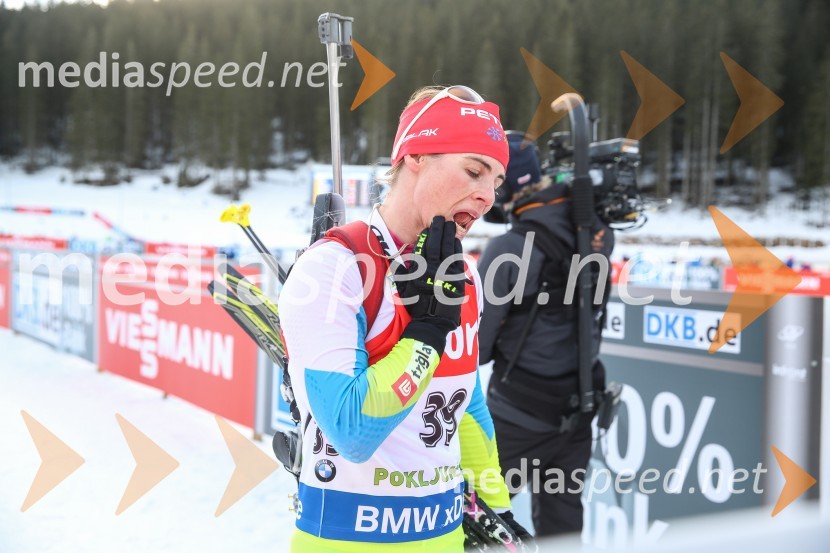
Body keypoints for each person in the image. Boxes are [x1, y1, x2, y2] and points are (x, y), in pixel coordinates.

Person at [278, 86, 531, 552]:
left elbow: (465, 405)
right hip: (346, 540)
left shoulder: (463, 276)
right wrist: (428, 331)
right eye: (474, 170)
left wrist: (500, 511)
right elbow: (351, 430)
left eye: (495, 181)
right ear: (416, 156)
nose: (486, 196)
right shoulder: (334, 267)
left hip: (443, 536)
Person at [477, 132, 614, 537]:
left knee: (474, 520)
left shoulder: (508, 247)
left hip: (517, 415)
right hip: (578, 410)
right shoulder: (598, 231)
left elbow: (477, 348)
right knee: (562, 528)